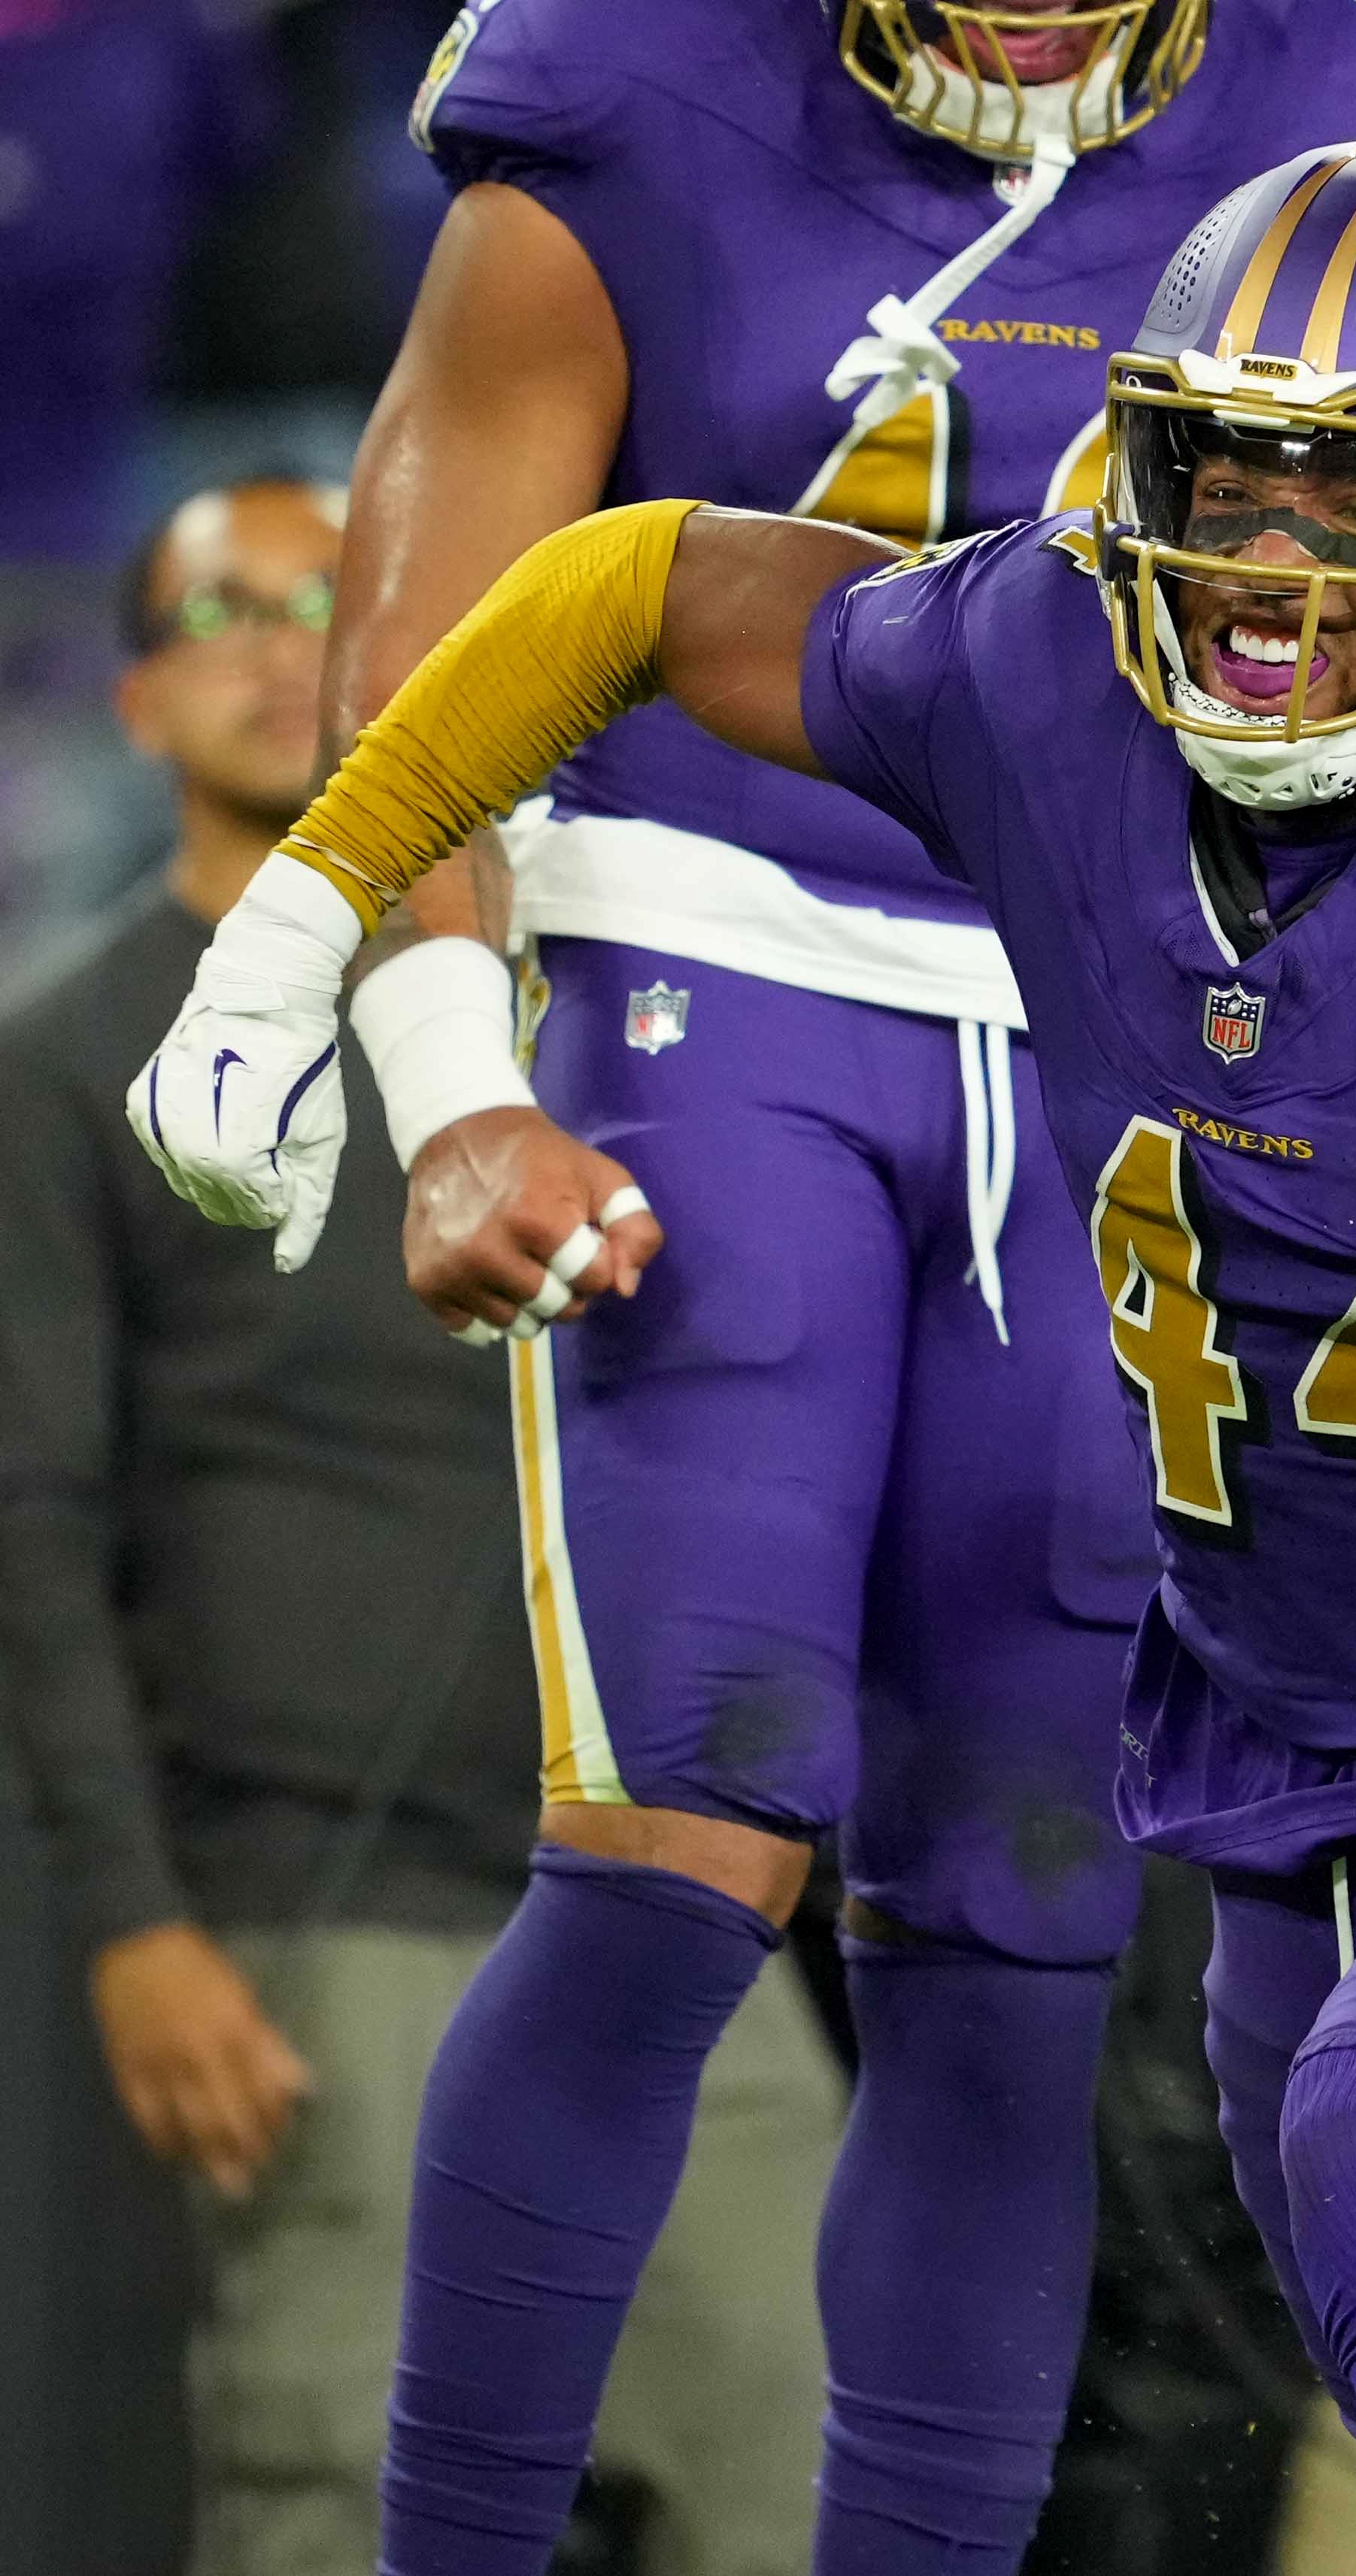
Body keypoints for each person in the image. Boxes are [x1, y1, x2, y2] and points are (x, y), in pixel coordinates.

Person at [129, 146, 1356, 2576]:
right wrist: (306, 916)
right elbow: (631, 575)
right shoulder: (1035, 668)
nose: (1271, 554)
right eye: (1232, 467)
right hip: (1280, 1727)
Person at [292, 4, 1356, 2568]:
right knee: (683, 1823)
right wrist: (440, 1060)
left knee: (1020, 1909)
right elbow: (429, 617)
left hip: (1109, 1027)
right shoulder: (632, 72)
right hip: (699, 952)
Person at [0, 479, 841, 2576]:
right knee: (352, 2523)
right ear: (133, 701)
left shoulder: (568, 1007)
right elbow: (32, 1519)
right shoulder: (68, 1063)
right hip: (328, 1915)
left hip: (662, 1881)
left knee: (812, 2481)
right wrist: (137, 1924)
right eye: (233, 608)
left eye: (335, 596)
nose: (296, 645)